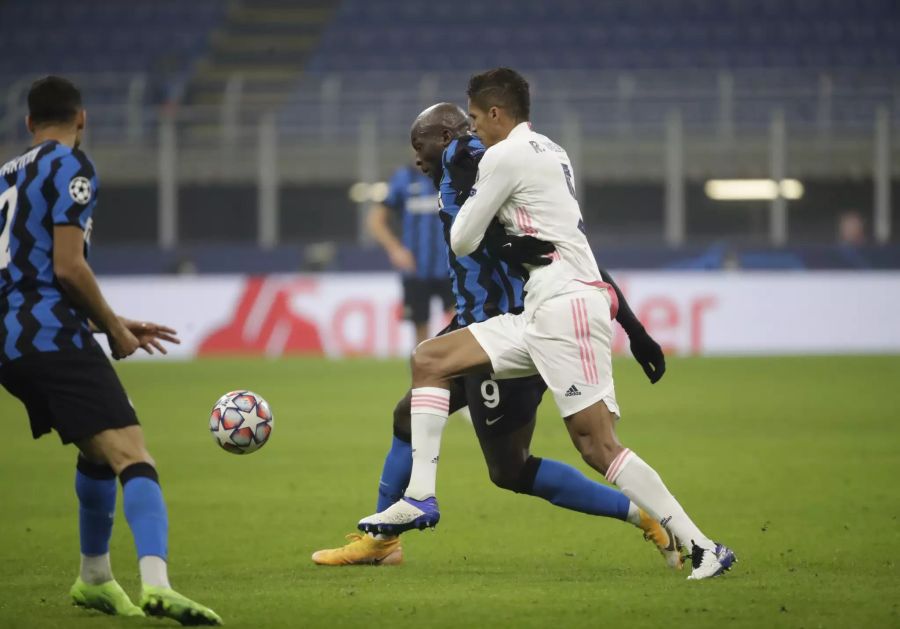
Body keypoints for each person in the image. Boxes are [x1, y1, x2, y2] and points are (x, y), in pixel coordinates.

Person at [358, 70, 736, 581]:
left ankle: (701, 545)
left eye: (473, 120)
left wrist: (481, 227)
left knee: (596, 447)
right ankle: (420, 498)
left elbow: (463, 237)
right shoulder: (552, 153)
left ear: (494, 115)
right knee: (429, 358)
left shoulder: (493, 155)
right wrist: (633, 325)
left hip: (565, 310)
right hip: (541, 309)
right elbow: (574, 244)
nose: (471, 132)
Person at [313, 103, 679, 568]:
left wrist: (634, 328)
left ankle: (644, 515)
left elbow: (576, 260)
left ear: (445, 136)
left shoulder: (478, 160)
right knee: (411, 415)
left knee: (510, 468)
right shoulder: (458, 176)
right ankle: (385, 541)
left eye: (420, 145)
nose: (417, 159)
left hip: (509, 335)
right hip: (471, 325)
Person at [0, 76, 222, 624]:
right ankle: (159, 585)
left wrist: (110, 322)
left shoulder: (6, 175)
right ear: (83, 118)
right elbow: (68, 266)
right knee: (133, 454)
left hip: (12, 339)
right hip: (52, 335)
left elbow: (23, 274)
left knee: (96, 452)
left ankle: (94, 578)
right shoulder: (71, 167)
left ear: (29, 123)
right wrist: (115, 333)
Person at [369, 163, 455, 345]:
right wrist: (395, 249)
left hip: (452, 266)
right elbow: (375, 220)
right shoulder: (403, 178)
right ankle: (425, 372)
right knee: (420, 329)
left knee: (462, 323)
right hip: (415, 268)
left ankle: (461, 370)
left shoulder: (453, 174)